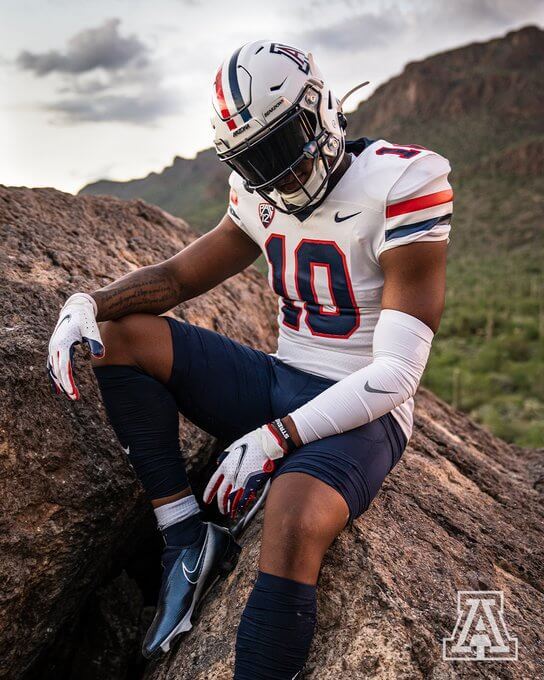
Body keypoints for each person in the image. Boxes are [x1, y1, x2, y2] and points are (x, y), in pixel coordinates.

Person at [47, 40, 453, 679]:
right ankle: (186, 538)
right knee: (120, 338)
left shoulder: (402, 182)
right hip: (280, 375)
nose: (278, 173)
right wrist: (87, 303)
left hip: (362, 408)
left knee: (289, 520)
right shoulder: (260, 193)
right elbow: (179, 277)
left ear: (317, 109)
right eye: (255, 158)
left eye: (282, 146)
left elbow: (399, 374)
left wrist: (276, 437)